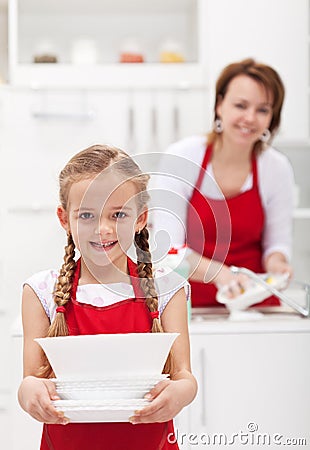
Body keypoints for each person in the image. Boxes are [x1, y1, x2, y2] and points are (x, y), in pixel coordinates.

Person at [17, 144, 197, 450]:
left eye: (118, 214)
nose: (103, 229)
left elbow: (184, 377)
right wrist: (29, 394)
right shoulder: (41, 292)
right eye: (87, 215)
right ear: (64, 219)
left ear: (141, 218)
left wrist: (179, 395)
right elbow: (29, 381)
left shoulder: (167, 288)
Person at [152, 58, 294, 308]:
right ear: (220, 105)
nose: (250, 118)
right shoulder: (182, 157)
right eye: (241, 105)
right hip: (187, 308)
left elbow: (276, 243)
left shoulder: (276, 168)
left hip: (256, 306)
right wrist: (221, 274)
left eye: (263, 109)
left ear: (272, 117)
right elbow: (168, 249)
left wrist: (278, 264)